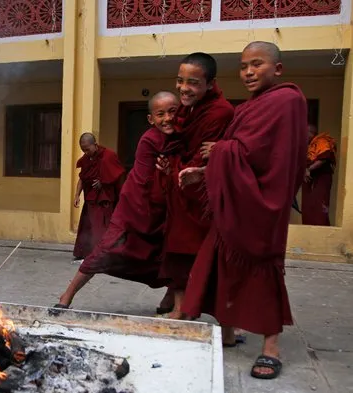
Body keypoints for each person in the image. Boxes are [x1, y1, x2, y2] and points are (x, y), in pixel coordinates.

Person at [179, 41, 308, 379]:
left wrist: (221, 151)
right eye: (243, 66)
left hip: (264, 202)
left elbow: (274, 157)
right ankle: (229, 332)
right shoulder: (248, 107)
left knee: (262, 268)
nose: (248, 72)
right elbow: (243, 154)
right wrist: (205, 171)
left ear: (277, 69)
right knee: (221, 263)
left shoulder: (288, 101)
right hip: (235, 199)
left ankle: (271, 346)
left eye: (257, 64)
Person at [55, 92, 180, 310]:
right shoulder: (149, 140)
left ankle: (170, 300)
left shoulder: (181, 137)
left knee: (171, 256)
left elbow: (116, 173)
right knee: (104, 249)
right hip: (135, 209)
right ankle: (66, 296)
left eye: (172, 112)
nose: (167, 118)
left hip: (165, 210)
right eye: (161, 114)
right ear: (151, 119)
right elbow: (139, 179)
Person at [156, 53, 234, 319]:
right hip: (180, 186)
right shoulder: (188, 108)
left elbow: (204, 156)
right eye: (180, 81)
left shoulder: (220, 111)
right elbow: (179, 139)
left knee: (198, 253)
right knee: (176, 251)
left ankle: (211, 315)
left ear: (210, 83)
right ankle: (180, 307)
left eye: (193, 83)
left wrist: (183, 169)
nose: (183, 88)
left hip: (200, 192)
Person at [72, 133, 126, 261]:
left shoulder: (108, 156)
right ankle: (87, 252)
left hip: (104, 199)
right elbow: (82, 178)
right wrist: (76, 195)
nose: (85, 152)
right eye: (83, 150)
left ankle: (104, 253)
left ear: (95, 145)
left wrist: (103, 180)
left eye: (87, 149)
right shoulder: (86, 159)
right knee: (88, 226)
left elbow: (117, 174)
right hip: (90, 199)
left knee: (102, 226)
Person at [302, 124, 336, 226]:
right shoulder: (309, 145)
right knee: (307, 207)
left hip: (321, 177)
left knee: (319, 207)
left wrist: (309, 169)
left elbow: (324, 158)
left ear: (311, 133)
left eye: (305, 133)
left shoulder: (321, 141)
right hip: (308, 179)